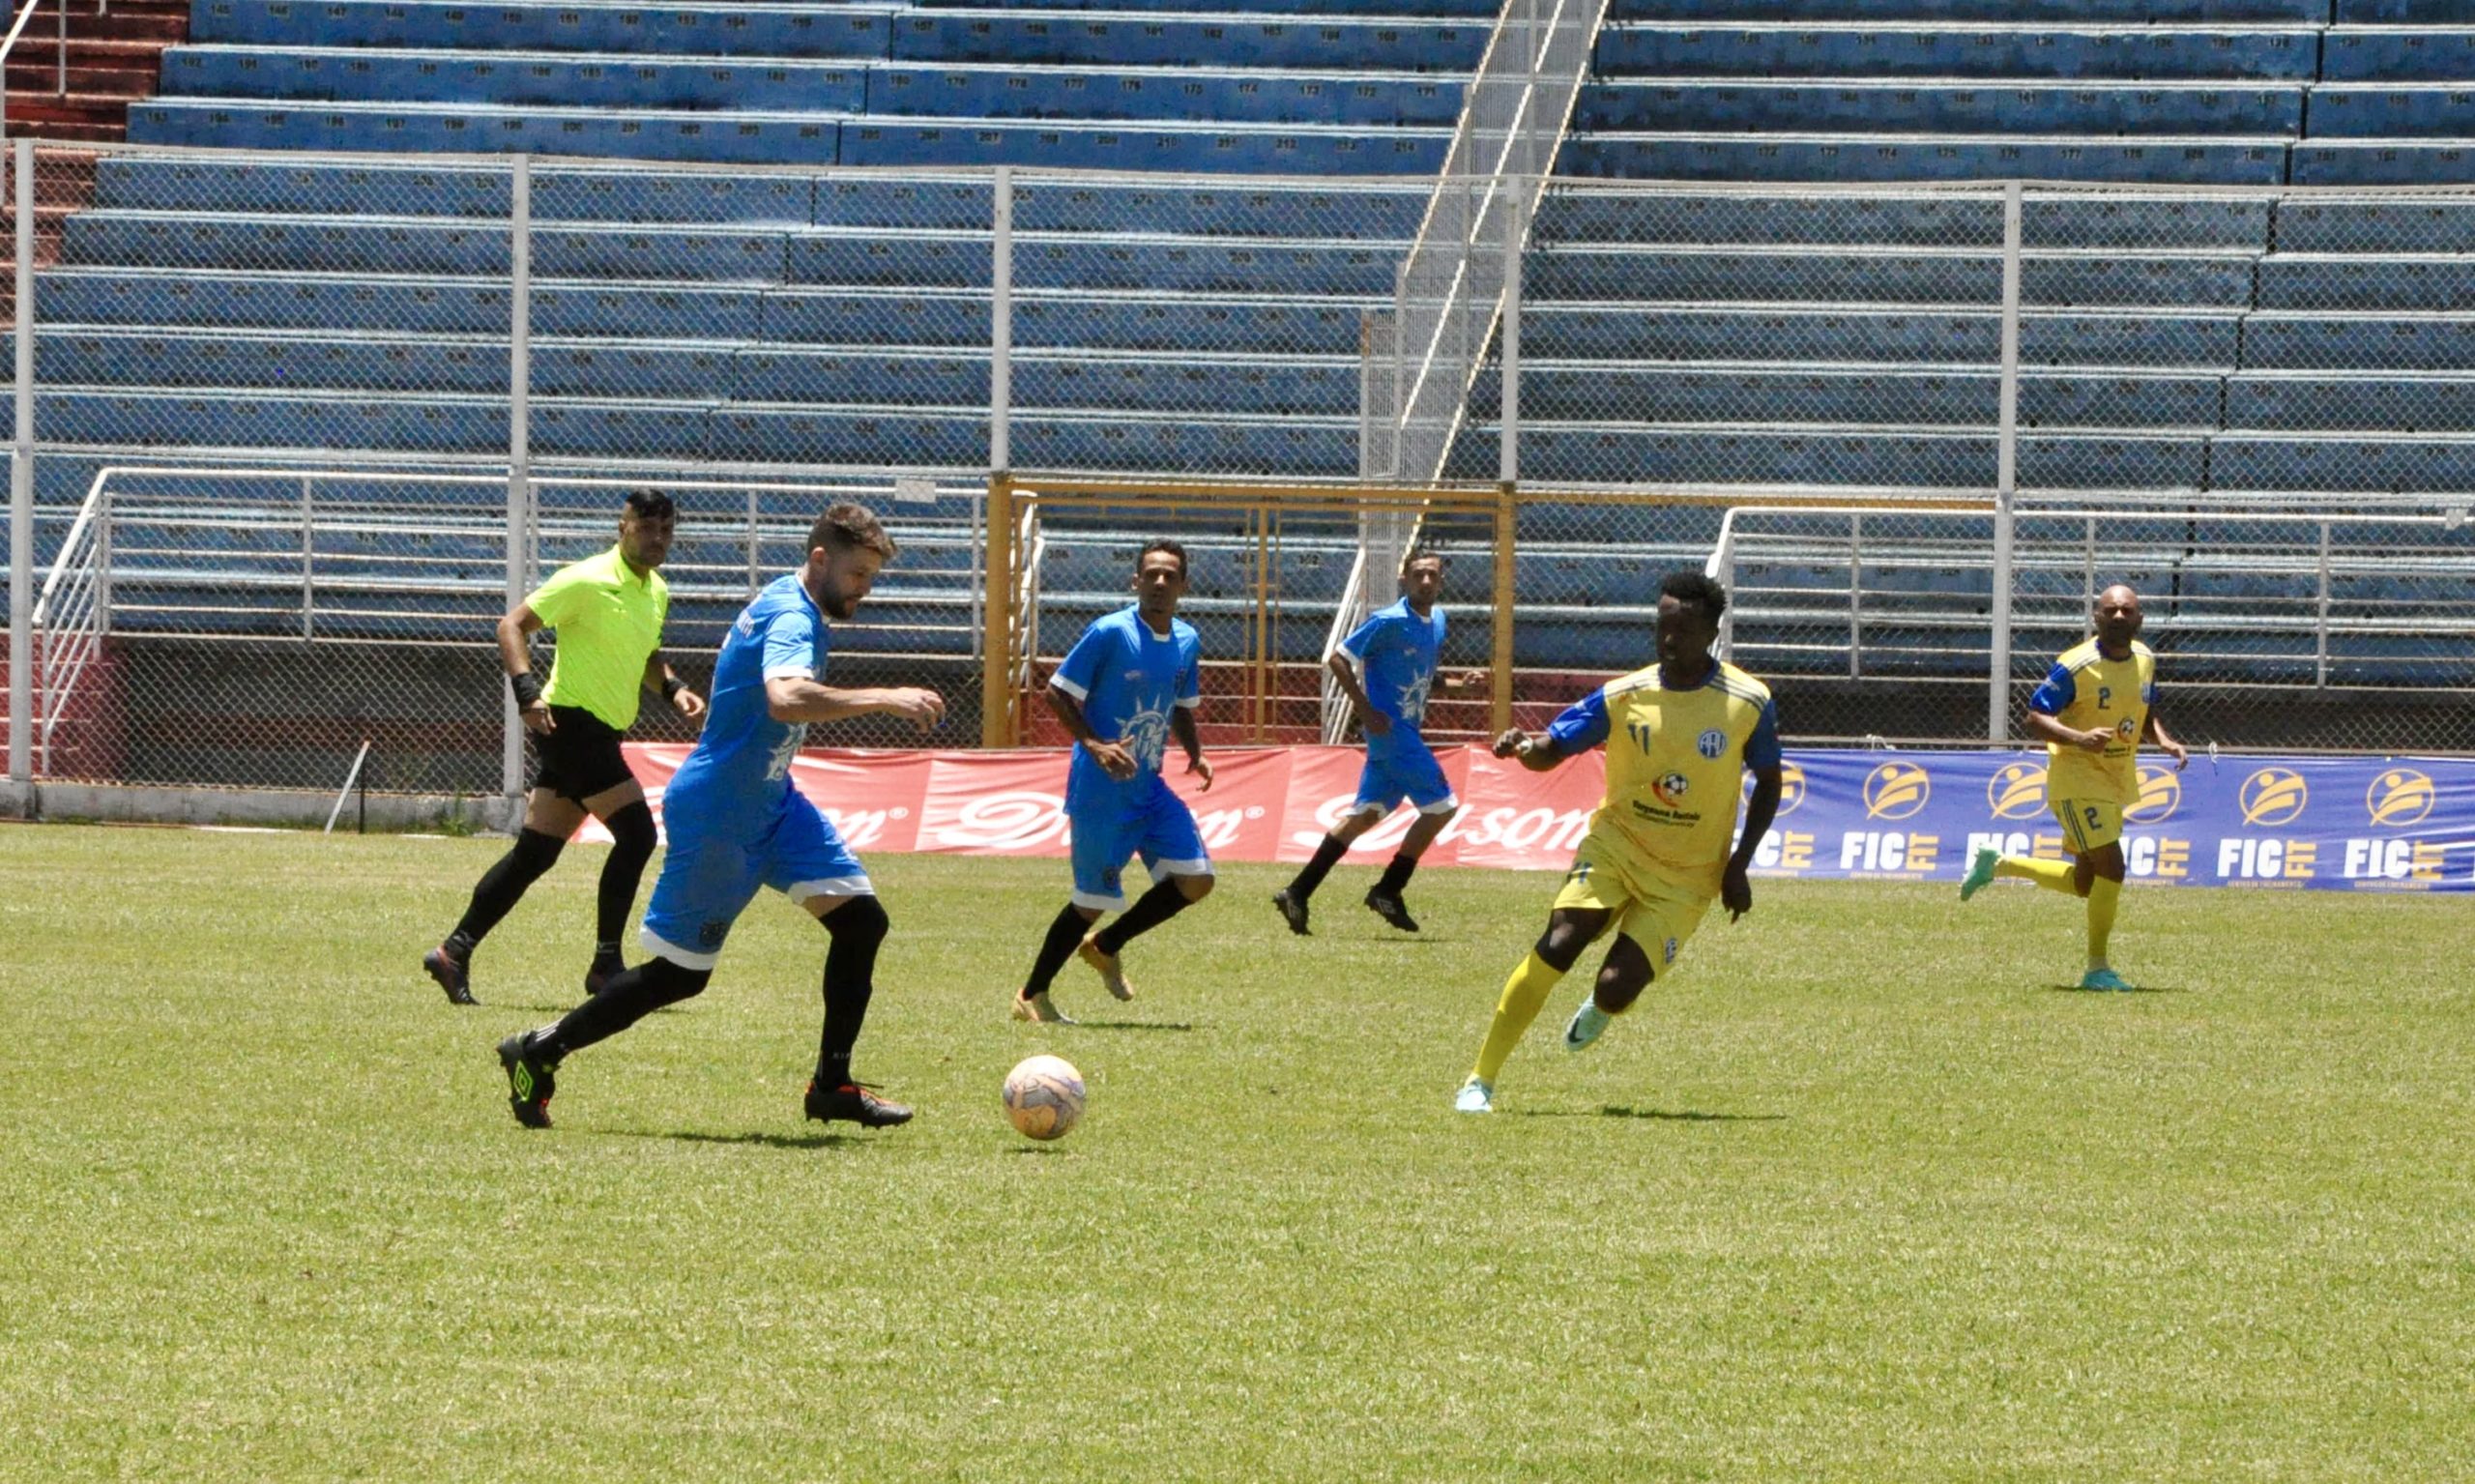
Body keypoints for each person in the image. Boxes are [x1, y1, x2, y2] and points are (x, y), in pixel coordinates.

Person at [494, 503, 945, 1130]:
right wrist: (885, 697)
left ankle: (832, 1086)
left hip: (773, 802)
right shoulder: (792, 614)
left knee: (861, 922)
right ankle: (540, 1050)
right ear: (820, 560)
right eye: (858, 574)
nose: (865, 588)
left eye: (871, 575)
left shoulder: (792, 599)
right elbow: (785, 697)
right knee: (679, 976)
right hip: (721, 813)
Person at [1455, 571, 1783, 1115]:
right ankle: (1479, 1080)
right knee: (1560, 941)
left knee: (1615, 988)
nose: (1668, 638)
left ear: (1711, 632)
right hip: (1617, 846)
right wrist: (1525, 748)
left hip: (1687, 876)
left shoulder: (1749, 701)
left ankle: (1602, 1006)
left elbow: (1769, 781)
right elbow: (1553, 747)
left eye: (1682, 628)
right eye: (1661, 625)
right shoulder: (1625, 695)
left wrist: (1738, 865)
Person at [423, 488, 704, 1006]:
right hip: (572, 725)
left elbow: (649, 654)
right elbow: (511, 625)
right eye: (646, 527)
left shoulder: (657, 590)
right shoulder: (586, 579)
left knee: (535, 854)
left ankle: (453, 951)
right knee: (638, 836)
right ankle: (605, 966)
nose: (657, 538)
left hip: (599, 732)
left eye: (666, 529)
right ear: (623, 526)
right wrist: (526, 692)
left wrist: (673, 688)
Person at [1010, 539, 1216, 1024]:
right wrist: (1094, 743)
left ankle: (1105, 946)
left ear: (1184, 585)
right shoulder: (1109, 632)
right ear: (1135, 581)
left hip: (1150, 788)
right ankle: (1031, 995)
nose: (1160, 582)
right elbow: (1056, 692)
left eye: (1169, 575)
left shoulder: (1187, 639)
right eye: (1151, 574)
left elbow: (1180, 705)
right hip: (1101, 792)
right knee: (1091, 901)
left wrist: (1195, 752)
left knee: (1196, 879)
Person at [1960, 583, 2187, 991]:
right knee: (2113, 867)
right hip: (2076, 777)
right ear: (2096, 617)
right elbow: (2035, 715)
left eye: (2127, 610)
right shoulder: (2076, 665)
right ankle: (2097, 968)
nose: (2119, 616)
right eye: (2110, 610)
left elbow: (2145, 707)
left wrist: (2164, 740)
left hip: (2115, 778)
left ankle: (1998, 864)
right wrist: (2079, 738)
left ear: (2140, 619)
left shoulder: (2145, 659)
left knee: (2086, 883)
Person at [1272, 547, 1483, 935]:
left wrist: (1459, 685)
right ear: (1404, 578)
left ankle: (1297, 891)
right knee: (1442, 808)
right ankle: (1389, 888)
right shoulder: (1388, 620)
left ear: (1441, 580)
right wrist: (1364, 709)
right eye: (1418, 574)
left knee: (1365, 816)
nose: (1425, 581)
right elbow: (1338, 658)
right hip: (1392, 732)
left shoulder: (1437, 620)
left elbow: (1423, 676)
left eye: (1432, 575)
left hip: (1401, 734)